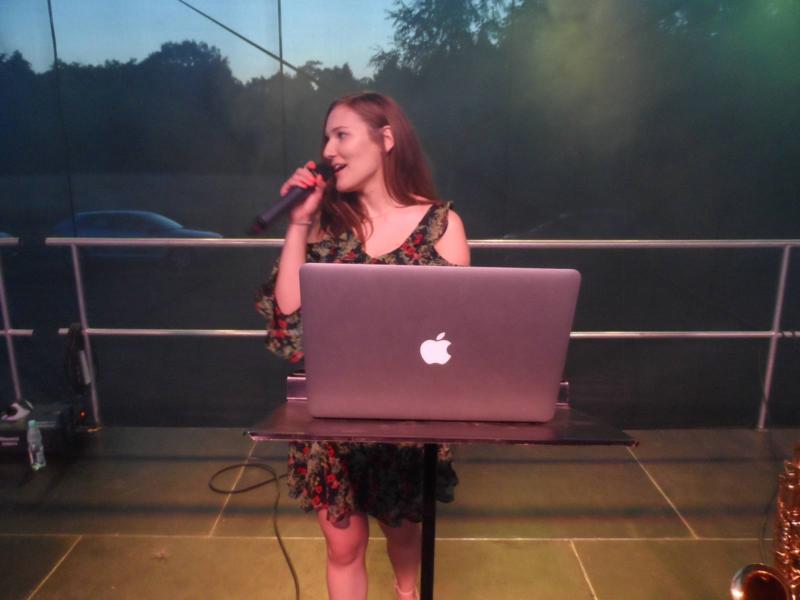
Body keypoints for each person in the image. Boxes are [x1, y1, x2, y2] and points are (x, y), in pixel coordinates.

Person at [256, 91, 470, 600]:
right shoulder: (325, 226)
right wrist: (299, 222)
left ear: (386, 138)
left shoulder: (440, 225)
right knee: (343, 547)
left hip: (409, 422)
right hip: (333, 420)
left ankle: (406, 592)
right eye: (325, 137)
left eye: (341, 135)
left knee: (404, 537)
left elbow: (459, 334)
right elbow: (290, 325)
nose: (327, 150)